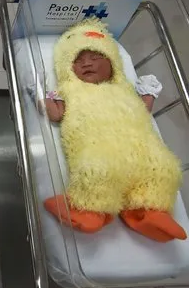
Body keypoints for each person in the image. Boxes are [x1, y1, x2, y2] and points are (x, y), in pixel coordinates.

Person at [42, 17, 185, 243]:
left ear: (113, 62)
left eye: (95, 57)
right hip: (100, 144)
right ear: (66, 68)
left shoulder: (125, 87)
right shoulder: (71, 90)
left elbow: (142, 110)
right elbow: (56, 115)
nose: (87, 64)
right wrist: (45, 99)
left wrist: (148, 95)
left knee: (162, 168)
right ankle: (89, 210)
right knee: (97, 169)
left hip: (140, 144)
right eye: (78, 61)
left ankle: (149, 212)